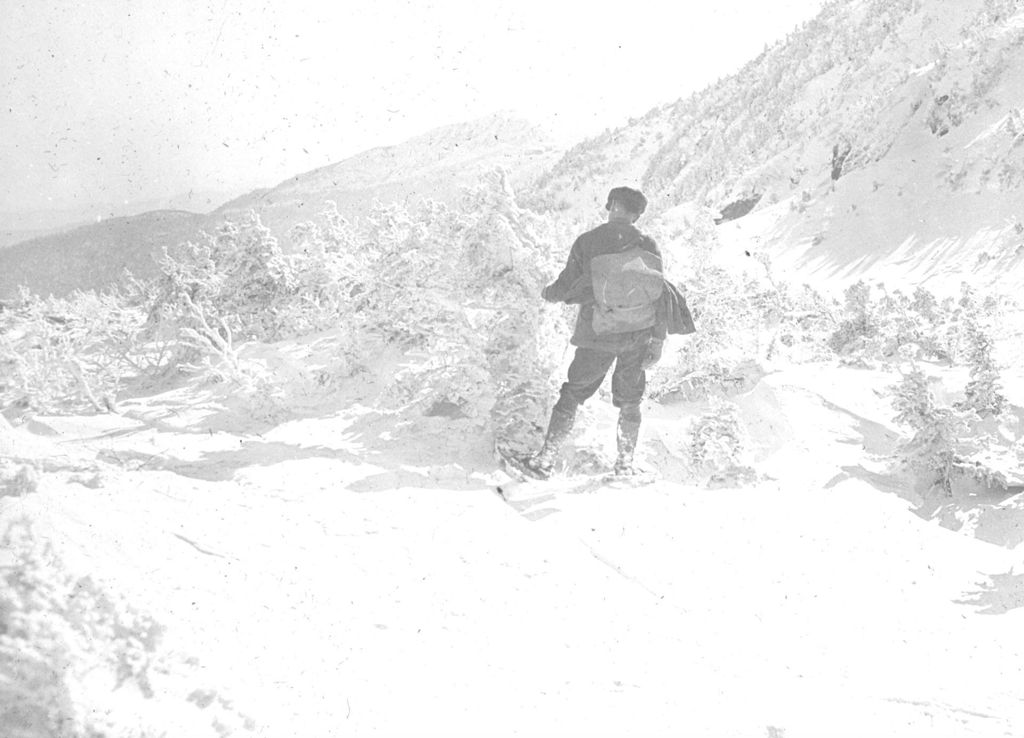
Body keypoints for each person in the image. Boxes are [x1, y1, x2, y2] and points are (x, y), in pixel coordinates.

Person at [520, 186, 673, 479]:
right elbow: (658, 294)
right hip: (637, 335)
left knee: (573, 393)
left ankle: (544, 462)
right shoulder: (648, 245)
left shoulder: (588, 241)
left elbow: (565, 286)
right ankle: (625, 466)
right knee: (630, 401)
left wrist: (543, 293)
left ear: (611, 205)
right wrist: (658, 339)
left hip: (597, 334)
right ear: (637, 214)